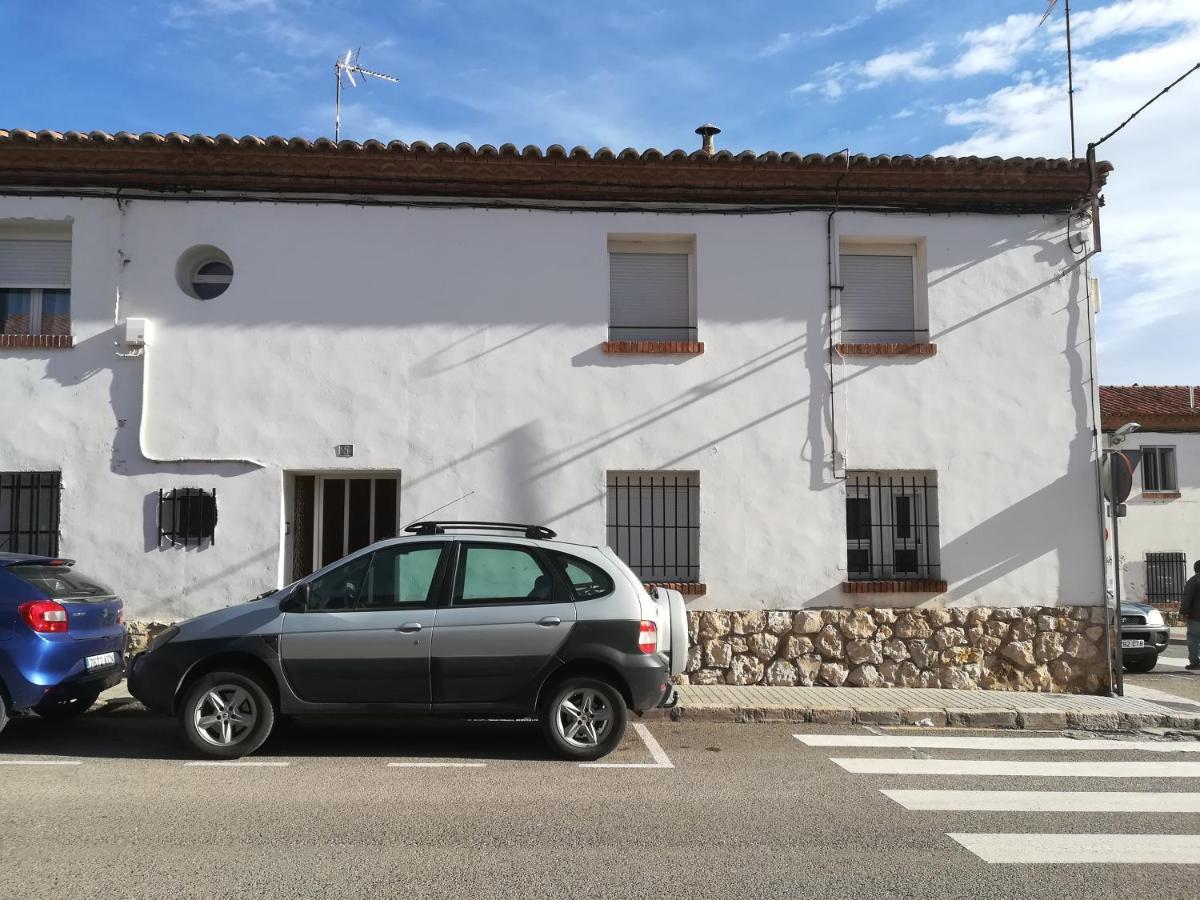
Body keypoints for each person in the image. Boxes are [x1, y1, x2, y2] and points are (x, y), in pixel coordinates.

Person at [1183, 560, 1200, 671]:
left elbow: (1187, 599)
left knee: (1193, 638)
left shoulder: (1193, 581)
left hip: (1196, 616)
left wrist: (1184, 613)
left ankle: (1195, 661)